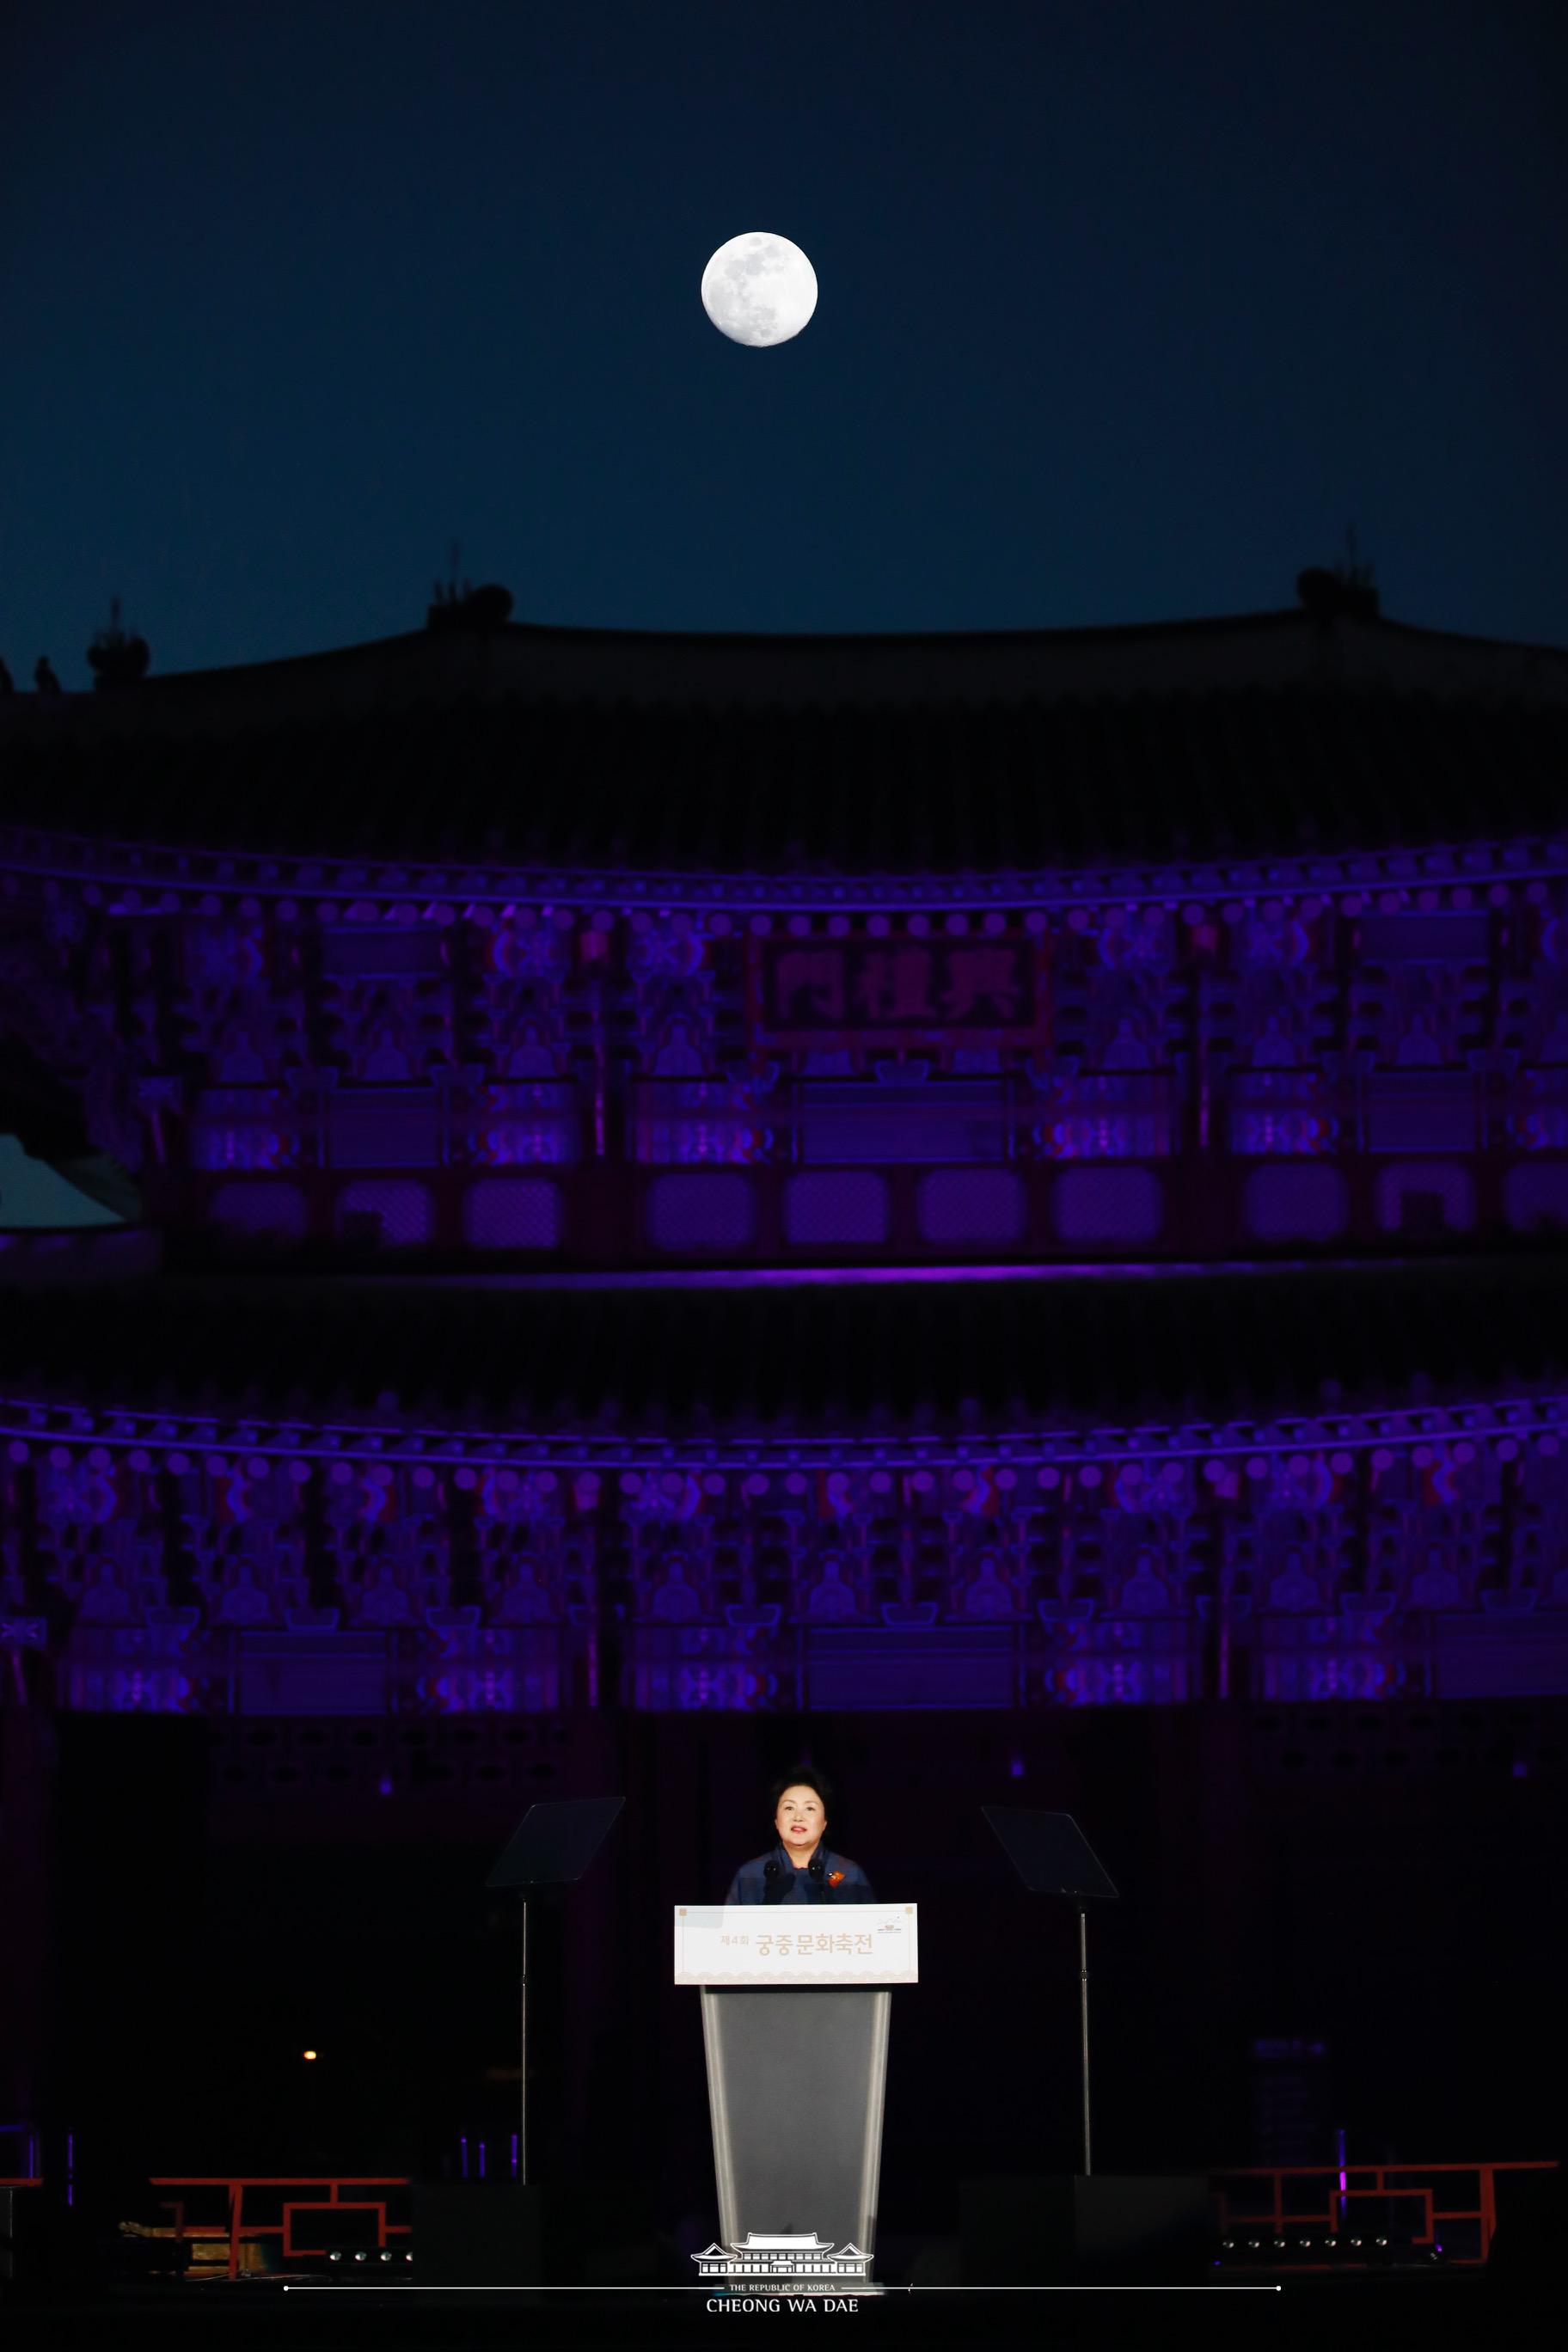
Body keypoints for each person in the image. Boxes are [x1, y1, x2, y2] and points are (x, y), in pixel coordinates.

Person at [724, 1770, 873, 1905]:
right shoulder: (750, 1875)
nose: (798, 1817)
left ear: (824, 1822)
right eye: (789, 1808)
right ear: (776, 1820)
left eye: (810, 1808)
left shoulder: (849, 1874)